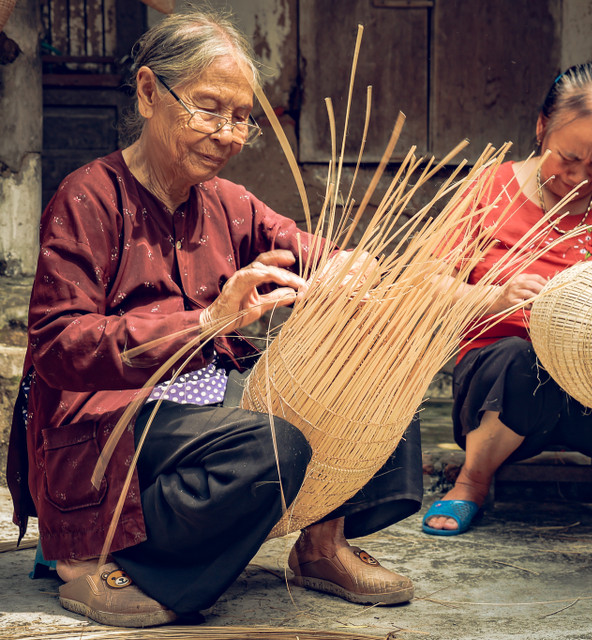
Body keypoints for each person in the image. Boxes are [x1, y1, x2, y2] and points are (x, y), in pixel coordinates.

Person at [5, 10, 421, 628]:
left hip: (208, 407)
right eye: (208, 109)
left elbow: (309, 249)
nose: (227, 134)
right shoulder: (89, 196)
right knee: (272, 449)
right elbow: (57, 344)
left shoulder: (228, 202)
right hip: (115, 421)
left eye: (241, 117)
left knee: (378, 355)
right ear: (149, 92)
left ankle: (321, 544)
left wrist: (348, 271)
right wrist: (206, 321)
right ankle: (99, 552)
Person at [422, 62, 592, 538]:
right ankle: (471, 481)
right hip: (504, 385)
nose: (581, 177)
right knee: (521, 357)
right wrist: (494, 297)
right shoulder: (489, 188)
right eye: (568, 157)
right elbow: (428, 282)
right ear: (542, 127)